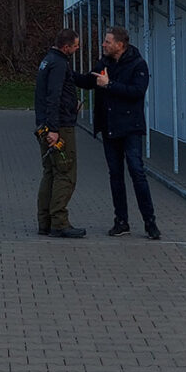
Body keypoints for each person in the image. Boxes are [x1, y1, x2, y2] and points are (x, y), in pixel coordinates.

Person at [91, 25, 160, 240]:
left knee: (137, 172)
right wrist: (64, 71)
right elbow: (89, 79)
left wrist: (109, 84)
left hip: (130, 128)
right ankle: (121, 221)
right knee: (115, 175)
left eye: (108, 41)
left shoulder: (138, 65)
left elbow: (137, 92)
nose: (104, 44)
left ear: (120, 45)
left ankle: (150, 222)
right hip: (110, 128)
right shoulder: (104, 64)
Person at [34, 26, 97, 238]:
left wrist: (93, 79)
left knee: (50, 173)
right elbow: (54, 96)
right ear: (66, 46)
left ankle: (45, 221)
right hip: (59, 128)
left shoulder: (48, 61)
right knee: (66, 174)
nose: (78, 49)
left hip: (45, 125)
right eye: (76, 46)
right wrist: (54, 130)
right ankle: (59, 222)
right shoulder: (59, 64)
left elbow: (71, 81)